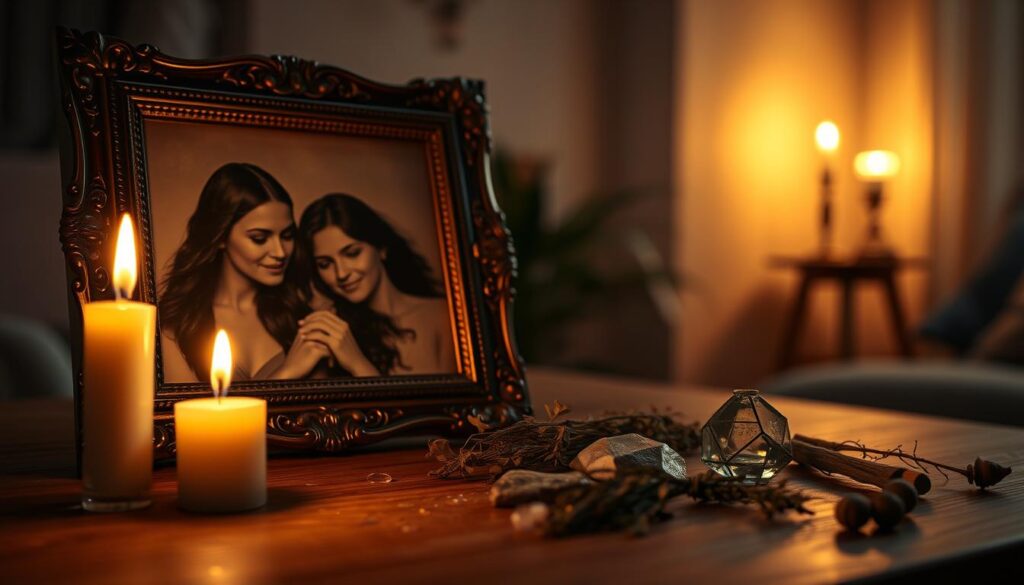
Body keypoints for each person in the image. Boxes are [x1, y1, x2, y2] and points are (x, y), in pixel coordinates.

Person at [159, 163, 326, 382]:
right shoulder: (177, 324)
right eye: (259, 238)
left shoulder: (300, 317)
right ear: (220, 237)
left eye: (287, 236)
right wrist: (287, 373)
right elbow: (181, 414)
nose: (280, 252)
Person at [295, 193, 455, 376]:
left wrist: (356, 363)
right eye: (325, 264)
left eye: (352, 253)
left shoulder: (442, 316)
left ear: (381, 248)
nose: (341, 273)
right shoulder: (331, 332)